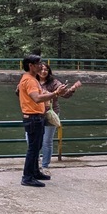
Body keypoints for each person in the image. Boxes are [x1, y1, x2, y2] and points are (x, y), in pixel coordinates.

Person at [17, 54, 66, 187]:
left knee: (37, 147)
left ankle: (35, 172)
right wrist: (55, 93)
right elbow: (37, 98)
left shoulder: (28, 78)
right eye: (38, 63)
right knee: (33, 149)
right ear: (30, 66)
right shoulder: (31, 80)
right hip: (33, 117)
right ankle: (27, 177)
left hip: (35, 117)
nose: (41, 65)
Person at [37, 63, 81, 172]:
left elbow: (64, 94)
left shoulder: (54, 82)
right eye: (41, 69)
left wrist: (73, 88)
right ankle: (34, 162)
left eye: (46, 70)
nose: (43, 71)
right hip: (36, 113)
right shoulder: (32, 81)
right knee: (33, 140)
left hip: (51, 113)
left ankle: (45, 165)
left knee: (47, 141)